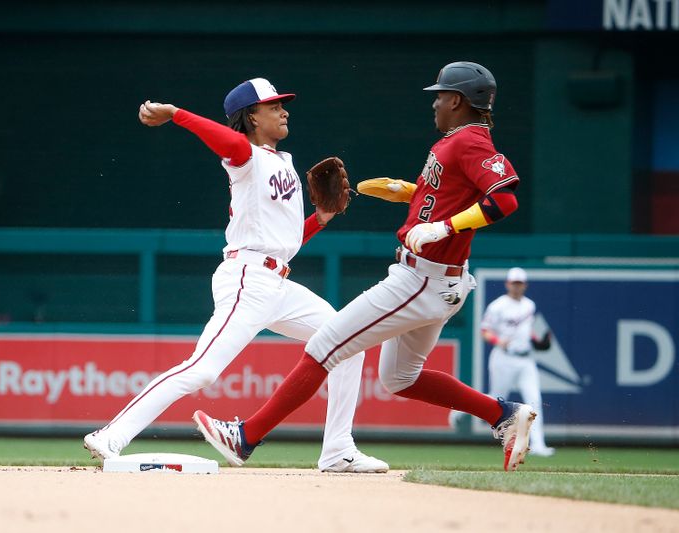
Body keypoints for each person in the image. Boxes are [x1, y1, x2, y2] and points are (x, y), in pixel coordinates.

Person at [194, 61, 538, 472]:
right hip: (438, 280)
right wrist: (410, 194)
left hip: (420, 279)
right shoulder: (455, 141)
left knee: (324, 346)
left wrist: (443, 226)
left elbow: (504, 200)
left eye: (441, 96)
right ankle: (503, 415)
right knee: (401, 378)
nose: (436, 104)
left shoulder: (469, 142)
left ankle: (246, 437)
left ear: (459, 101)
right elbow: (450, 194)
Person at [83, 77, 388, 473]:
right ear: (250, 117)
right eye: (274, 106)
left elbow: (286, 240)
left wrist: (323, 218)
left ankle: (337, 450)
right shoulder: (245, 157)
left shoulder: (283, 163)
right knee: (202, 369)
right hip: (248, 278)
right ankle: (111, 435)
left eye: (283, 104)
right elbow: (228, 143)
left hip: (277, 281)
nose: (284, 110)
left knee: (347, 342)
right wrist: (176, 114)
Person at [478, 266, 555, 456]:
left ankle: (538, 445)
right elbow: (485, 331)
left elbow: (526, 330)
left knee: (534, 400)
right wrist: (498, 341)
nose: (517, 286)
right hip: (503, 358)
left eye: (520, 283)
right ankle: (461, 410)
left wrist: (537, 341)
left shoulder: (529, 305)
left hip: (526, 359)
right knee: (496, 398)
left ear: (525, 285)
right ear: (507, 284)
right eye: (514, 283)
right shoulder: (498, 305)